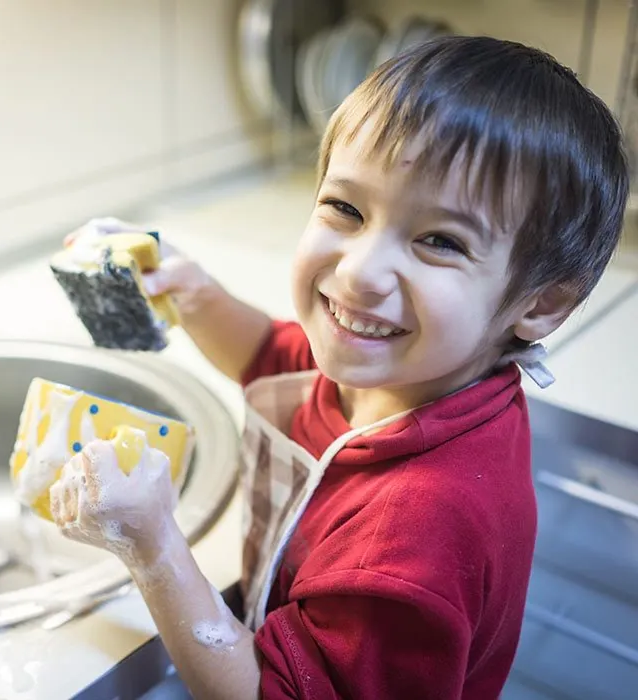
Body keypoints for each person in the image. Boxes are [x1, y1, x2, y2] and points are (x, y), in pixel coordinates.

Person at [47, 35, 629, 699]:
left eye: (440, 241)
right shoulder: (408, 376)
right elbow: (274, 358)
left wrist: (150, 546)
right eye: (345, 208)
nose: (356, 274)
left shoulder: (418, 532)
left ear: (541, 303)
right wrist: (196, 294)